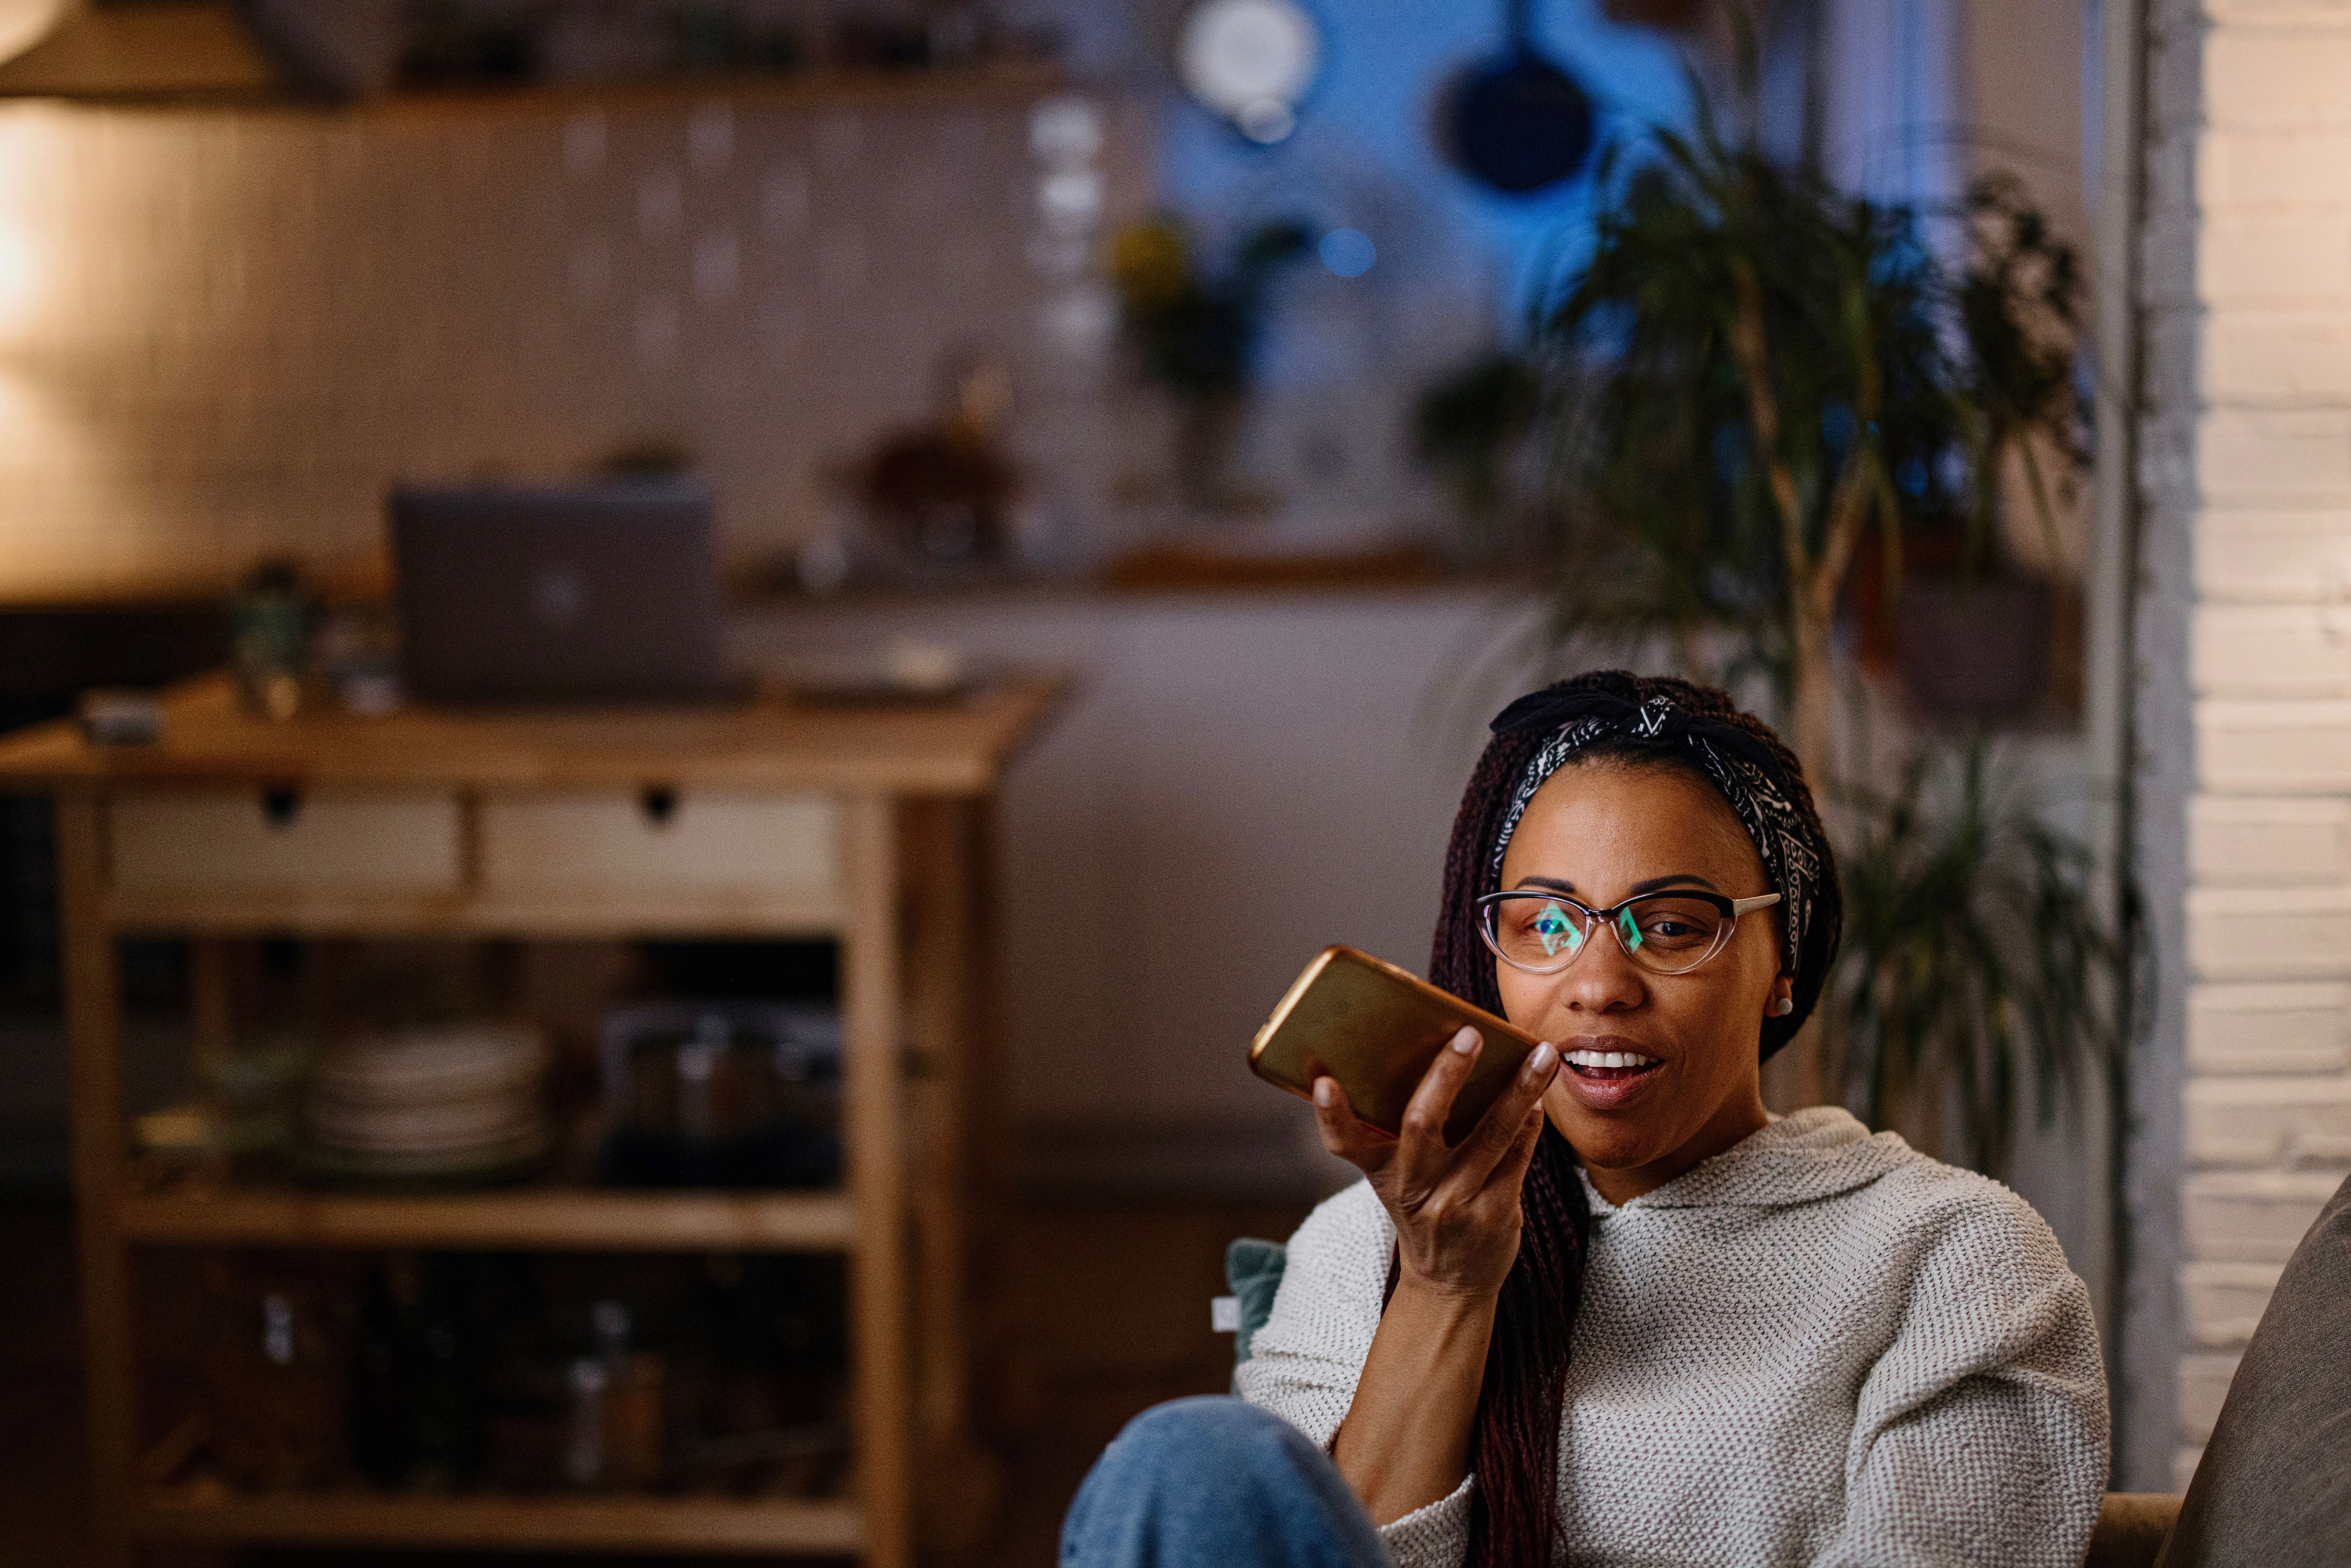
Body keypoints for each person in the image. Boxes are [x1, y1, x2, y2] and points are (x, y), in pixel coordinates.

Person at [1061, 671, 2109, 1568]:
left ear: (1781, 964)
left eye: (1671, 925)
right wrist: (1445, 1285)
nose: (1598, 983)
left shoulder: (1952, 1261)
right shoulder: (1363, 1248)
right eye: (1546, 924)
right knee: (1186, 1461)